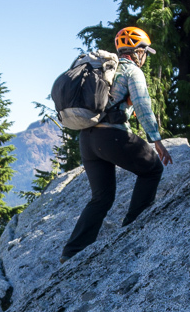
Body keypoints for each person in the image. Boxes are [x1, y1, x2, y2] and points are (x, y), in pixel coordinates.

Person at [61, 26, 174, 262]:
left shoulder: (104, 69)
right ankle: (133, 229)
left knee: (101, 198)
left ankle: (71, 252)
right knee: (152, 169)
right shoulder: (132, 71)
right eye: (145, 51)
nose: (145, 56)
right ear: (138, 51)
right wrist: (157, 140)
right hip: (110, 136)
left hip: (87, 139)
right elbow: (143, 105)